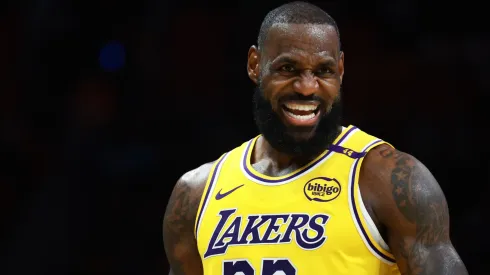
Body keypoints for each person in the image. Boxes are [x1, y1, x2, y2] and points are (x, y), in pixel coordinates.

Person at [162, 2, 468, 274]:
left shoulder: (387, 180)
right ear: (255, 65)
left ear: (342, 70)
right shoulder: (196, 193)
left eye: (324, 70)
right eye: (287, 68)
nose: (307, 87)